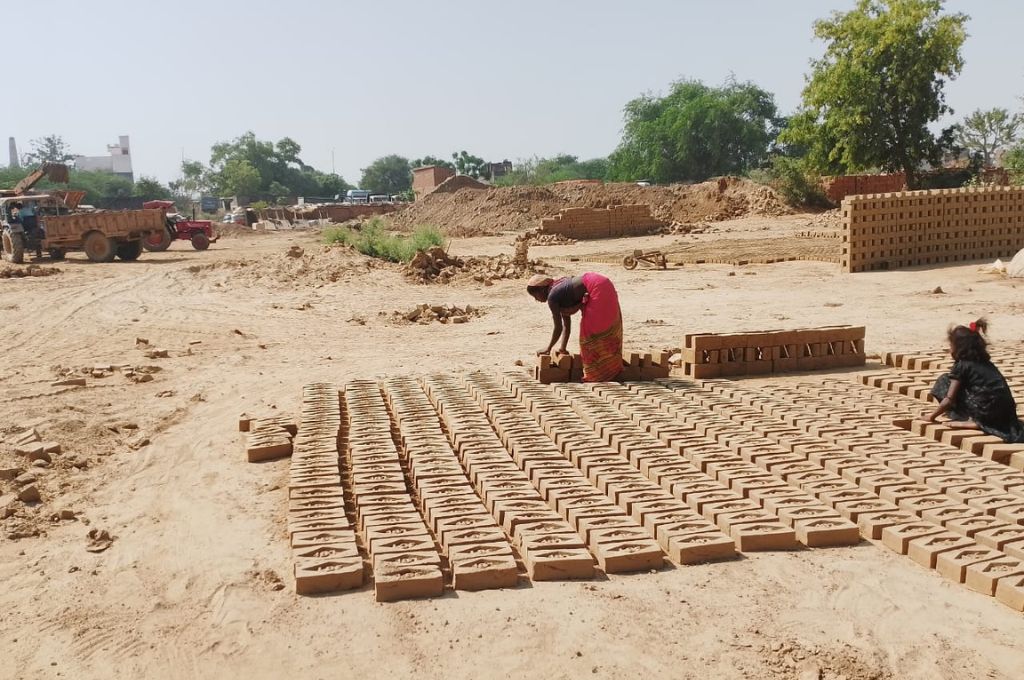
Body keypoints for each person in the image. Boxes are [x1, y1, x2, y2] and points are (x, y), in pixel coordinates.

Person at [924, 318, 1024, 443]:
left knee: (944, 381)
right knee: (970, 388)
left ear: (959, 347)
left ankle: (975, 421)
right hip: (1005, 411)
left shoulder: (962, 366)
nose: (949, 349)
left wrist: (932, 416)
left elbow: (949, 400)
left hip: (985, 411)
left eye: (951, 345)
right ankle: (977, 419)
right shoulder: (986, 362)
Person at [527, 273, 623, 382]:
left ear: (541, 290)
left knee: (589, 332)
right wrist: (562, 348)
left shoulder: (552, 297)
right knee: (597, 327)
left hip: (597, 287)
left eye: (535, 296)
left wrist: (548, 348)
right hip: (602, 282)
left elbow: (558, 327)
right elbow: (566, 326)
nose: (537, 300)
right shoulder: (558, 289)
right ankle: (608, 369)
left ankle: (598, 375)